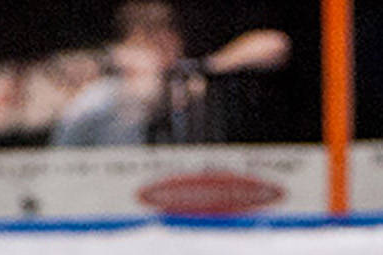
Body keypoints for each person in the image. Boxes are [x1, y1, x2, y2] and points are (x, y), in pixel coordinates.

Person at [51, 1, 290, 146]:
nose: (164, 46)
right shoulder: (100, 96)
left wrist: (208, 67)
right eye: (149, 39)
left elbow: (276, 45)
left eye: (168, 36)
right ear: (128, 42)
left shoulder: (190, 77)